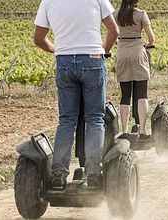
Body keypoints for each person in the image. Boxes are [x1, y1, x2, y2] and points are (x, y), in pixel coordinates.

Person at [33, 0, 119, 189]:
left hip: (64, 61)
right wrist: (104, 51)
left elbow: (39, 38)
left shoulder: (48, 1)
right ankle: (94, 173)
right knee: (95, 119)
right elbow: (114, 31)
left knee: (66, 121)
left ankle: (58, 175)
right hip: (92, 60)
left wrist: (57, 50)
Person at [115, 0, 156, 138]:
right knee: (142, 93)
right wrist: (149, 44)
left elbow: (112, 34)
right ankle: (142, 130)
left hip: (122, 53)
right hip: (137, 52)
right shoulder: (141, 14)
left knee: (125, 95)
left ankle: (125, 130)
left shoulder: (116, 15)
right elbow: (151, 38)